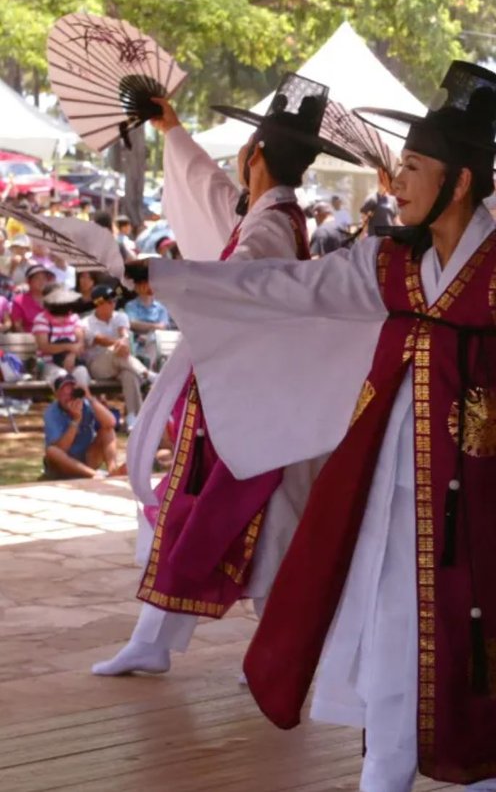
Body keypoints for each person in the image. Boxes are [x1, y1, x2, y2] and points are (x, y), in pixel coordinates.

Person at [125, 62, 496, 790]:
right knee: (391, 634)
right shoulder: (386, 263)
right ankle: (385, 773)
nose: (397, 182)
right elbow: (288, 285)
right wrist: (170, 279)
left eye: (414, 167)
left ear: (460, 181)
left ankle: (492, 772)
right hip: (394, 491)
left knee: (489, 637)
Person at [91, 74, 361, 680]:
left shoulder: (268, 225)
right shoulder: (270, 213)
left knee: (254, 522)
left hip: (252, 402)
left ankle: (267, 650)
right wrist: (173, 130)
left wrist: (162, 276)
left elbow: (235, 284)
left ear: (255, 154)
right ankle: (163, 639)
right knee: (230, 517)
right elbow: (214, 195)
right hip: (252, 397)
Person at [83, 284, 148, 428]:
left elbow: (124, 333)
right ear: (98, 304)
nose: (113, 303)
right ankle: (146, 374)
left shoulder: (121, 316)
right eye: (109, 301)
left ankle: (132, 417)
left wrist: (124, 341)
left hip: (123, 364)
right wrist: (121, 343)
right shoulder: (86, 323)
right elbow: (100, 340)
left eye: (114, 300)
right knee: (115, 350)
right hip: (98, 367)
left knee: (129, 375)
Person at [43, 371, 121, 479]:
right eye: (64, 394)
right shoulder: (51, 412)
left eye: (71, 393)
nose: (69, 398)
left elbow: (111, 423)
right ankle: (94, 475)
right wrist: (76, 420)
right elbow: (62, 449)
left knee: (107, 431)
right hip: (63, 465)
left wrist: (90, 397)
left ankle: (113, 471)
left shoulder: (86, 404)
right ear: (57, 396)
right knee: (52, 451)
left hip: (87, 458)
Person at [123, 262, 174, 367]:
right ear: (136, 287)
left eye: (146, 283)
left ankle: (149, 370)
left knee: (154, 340)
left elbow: (163, 326)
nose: (144, 287)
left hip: (158, 344)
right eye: (140, 284)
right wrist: (154, 327)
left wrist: (148, 331)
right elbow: (132, 324)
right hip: (137, 345)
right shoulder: (131, 305)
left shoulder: (161, 307)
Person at [33, 286, 87, 381]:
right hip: (48, 364)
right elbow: (44, 347)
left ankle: (84, 395)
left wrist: (72, 355)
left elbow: (80, 342)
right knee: (62, 376)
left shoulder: (74, 318)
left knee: (81, 372)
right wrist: (68, 347)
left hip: (73, 361)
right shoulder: (41, 319)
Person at [11, 264, 52, 333]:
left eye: (44, 278)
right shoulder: (19, 300)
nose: (42, 281)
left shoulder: (54, 299)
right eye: (37, 278)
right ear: (28, 281)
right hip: (29, 340)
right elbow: (18, 327)